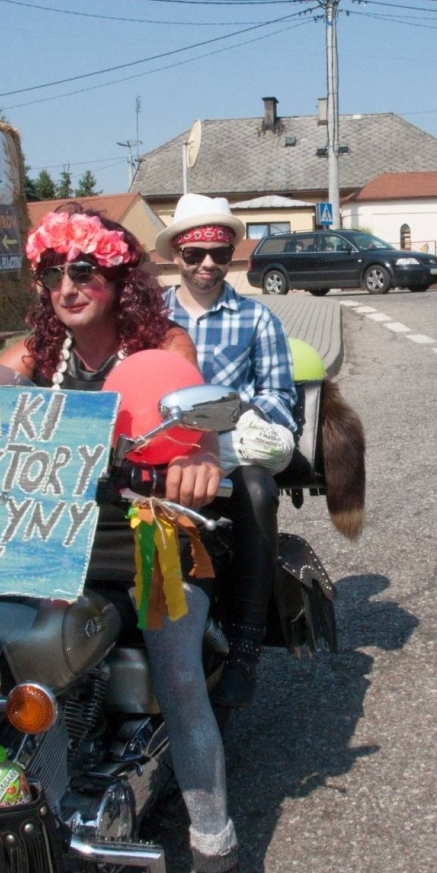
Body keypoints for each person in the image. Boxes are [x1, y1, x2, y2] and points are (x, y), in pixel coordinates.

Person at [0, 204, 243, 873]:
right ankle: (35, 827)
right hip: (55, 540)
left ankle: (215, 852)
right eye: (50, 271)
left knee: (181, 678)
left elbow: (198, 421)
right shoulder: (34, 352)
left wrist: (198, 454)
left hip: (146, 536)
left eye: (82, 269)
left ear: (117, 274)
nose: (65, 284)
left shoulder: (164, 341)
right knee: (5, 671)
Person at [153, 193, 299, 709]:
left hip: (230, 449)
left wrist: (223, 424)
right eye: (195, 254)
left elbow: (280, 396)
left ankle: (244, 649)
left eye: (219, 252)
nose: (208, 264)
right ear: (177, 255)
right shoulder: (149, 317)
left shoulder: (257, 320)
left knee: (259, 490)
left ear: (232, 253)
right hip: (159, 448)